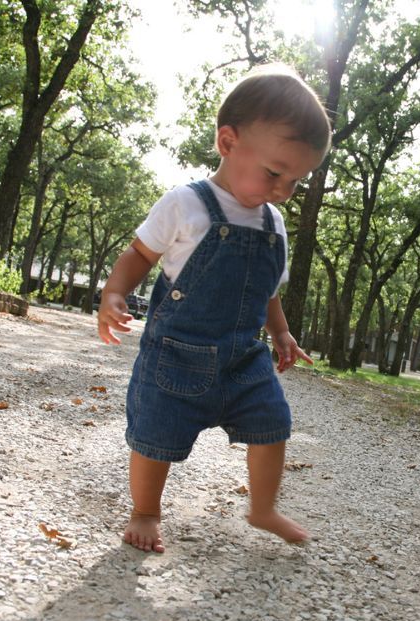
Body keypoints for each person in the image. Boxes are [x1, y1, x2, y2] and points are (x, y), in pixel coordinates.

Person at [97, 65, 331, 554]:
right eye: (274, 173)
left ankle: (262, 508)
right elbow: (140, 253)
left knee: (273, 422)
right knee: (153, 435)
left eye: (296, 181)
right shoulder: (187, 204)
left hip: (244, 356)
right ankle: (145, 511)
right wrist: (114, 293)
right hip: (177, 353)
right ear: (228, 142)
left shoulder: (275, 223)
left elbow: (266, 288)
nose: (283, 190)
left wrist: (282, 332)